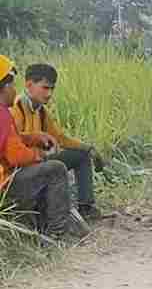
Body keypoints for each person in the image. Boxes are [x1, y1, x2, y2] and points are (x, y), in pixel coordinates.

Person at [0, 55, 88, 241]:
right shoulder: (5, 114)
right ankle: (57, 234)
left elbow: (11, 140)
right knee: (54, 169)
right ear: (3, 87)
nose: (15, 91)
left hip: (9, 178)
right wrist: (39, 154)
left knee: (47, 168)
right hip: (4, 185)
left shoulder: (31, 112)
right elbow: (16, 156)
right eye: (12, 85)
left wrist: (32, 138)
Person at [11, 64, 106, 220]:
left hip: (38, 161)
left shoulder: (40, 111)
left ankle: (86, 207)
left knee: (81, 155)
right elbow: (13, 145)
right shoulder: (16, 109)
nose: (49, 94)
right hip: (23, 168)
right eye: (45, 88)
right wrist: (36, 140)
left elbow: (60, 138)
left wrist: (89, 148)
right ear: (29, 85)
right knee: (56, 167)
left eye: (52, 89)